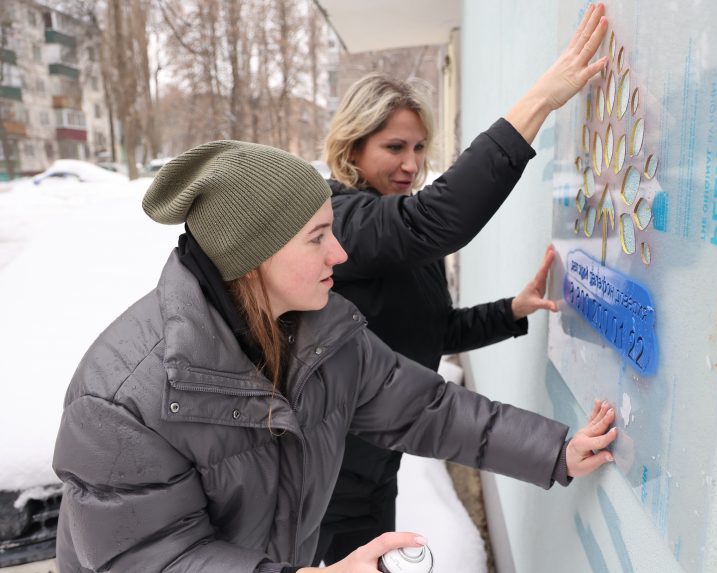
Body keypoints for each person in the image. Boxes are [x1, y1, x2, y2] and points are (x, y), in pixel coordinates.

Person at [52, 6, 612, 573]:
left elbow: (429, 408)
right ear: (253, 257)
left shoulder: (322, 334)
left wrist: (555, 451)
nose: (340, 255)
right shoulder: (120, 401)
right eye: (319, 237)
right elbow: (150, 560)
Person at [316, 2, 610, 565]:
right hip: (329, 479)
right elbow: (438, 219)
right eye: (394, 147)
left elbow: (433, 330)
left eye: (420, 147)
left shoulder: (396, 226)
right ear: (353, 148)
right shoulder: (342, 218)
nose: (411, 164)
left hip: (379, 462)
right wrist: (540, 101)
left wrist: (511, 311)